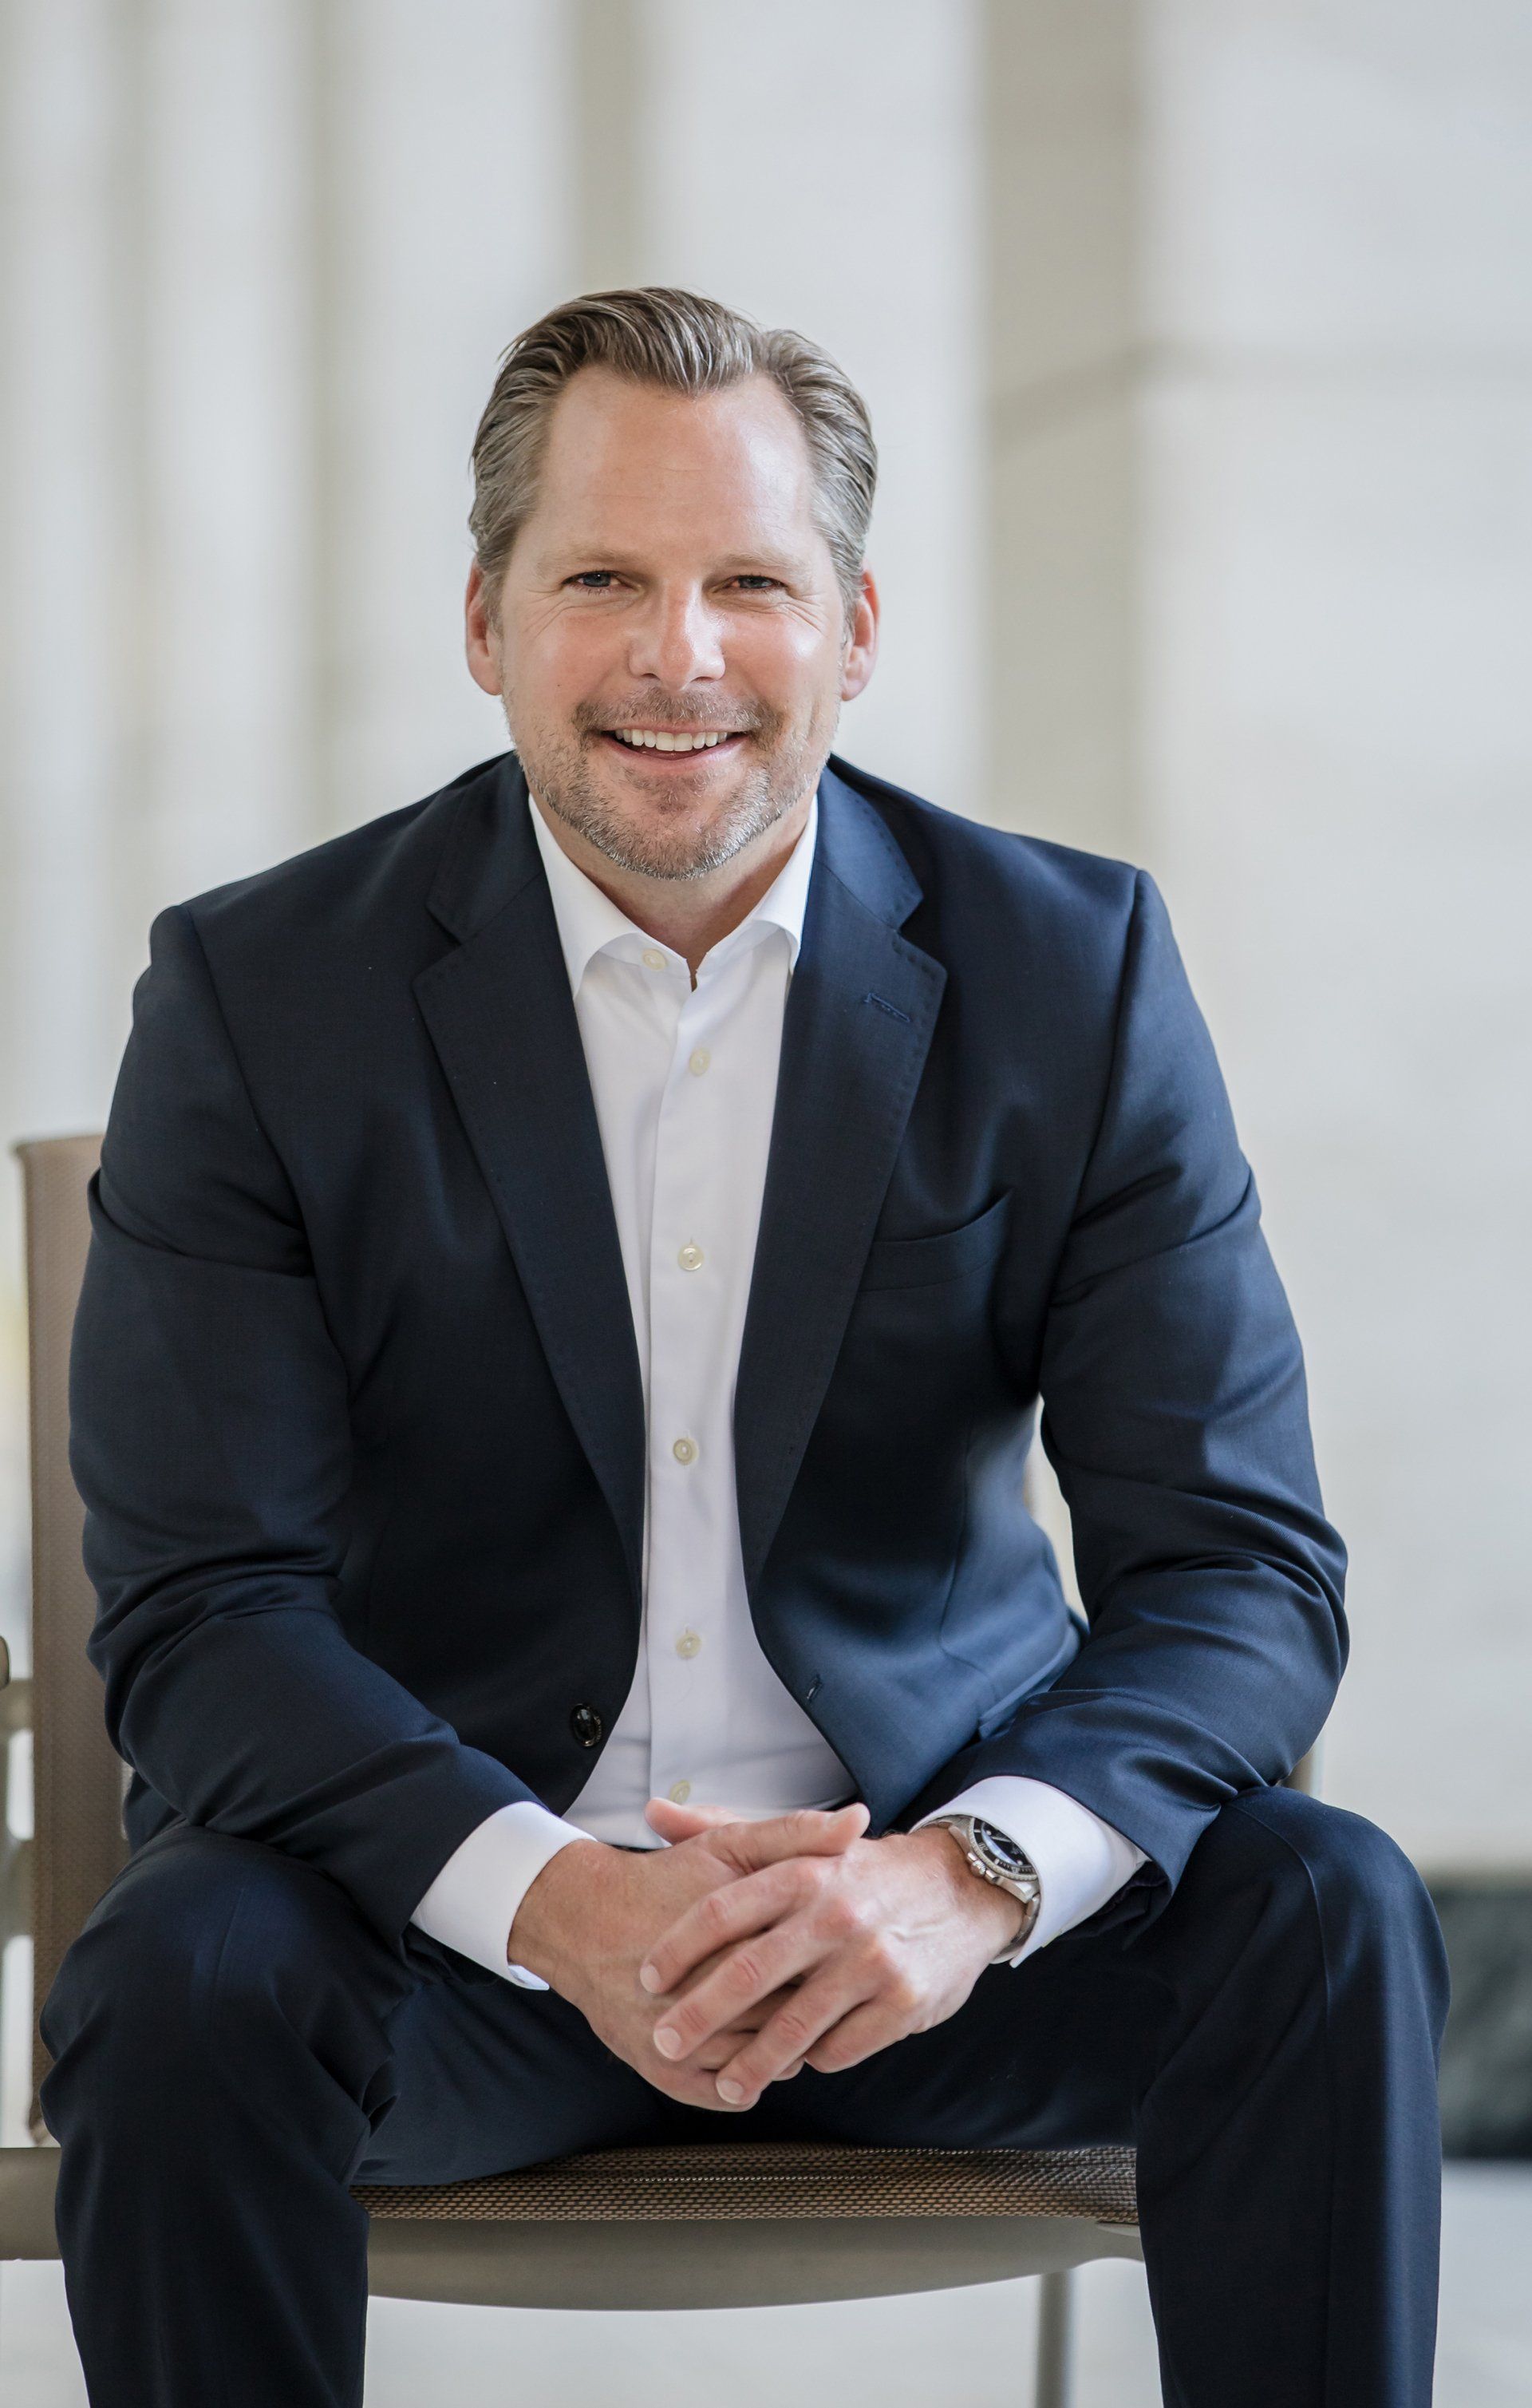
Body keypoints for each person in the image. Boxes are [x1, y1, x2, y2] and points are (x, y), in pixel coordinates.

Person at [43, 287, 1447, 2407]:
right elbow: (200, 1610)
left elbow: (1245, 1570)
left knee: (1324, 1908)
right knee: (182, 1969)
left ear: (857, 626)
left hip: (933, 1938)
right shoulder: (261, 1000)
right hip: (466, 1949)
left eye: (748, 584)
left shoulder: (1074, 974)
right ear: (485, 620)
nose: (676, 653)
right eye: (600, 575)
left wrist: (971, 1875)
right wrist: (559, 1904)